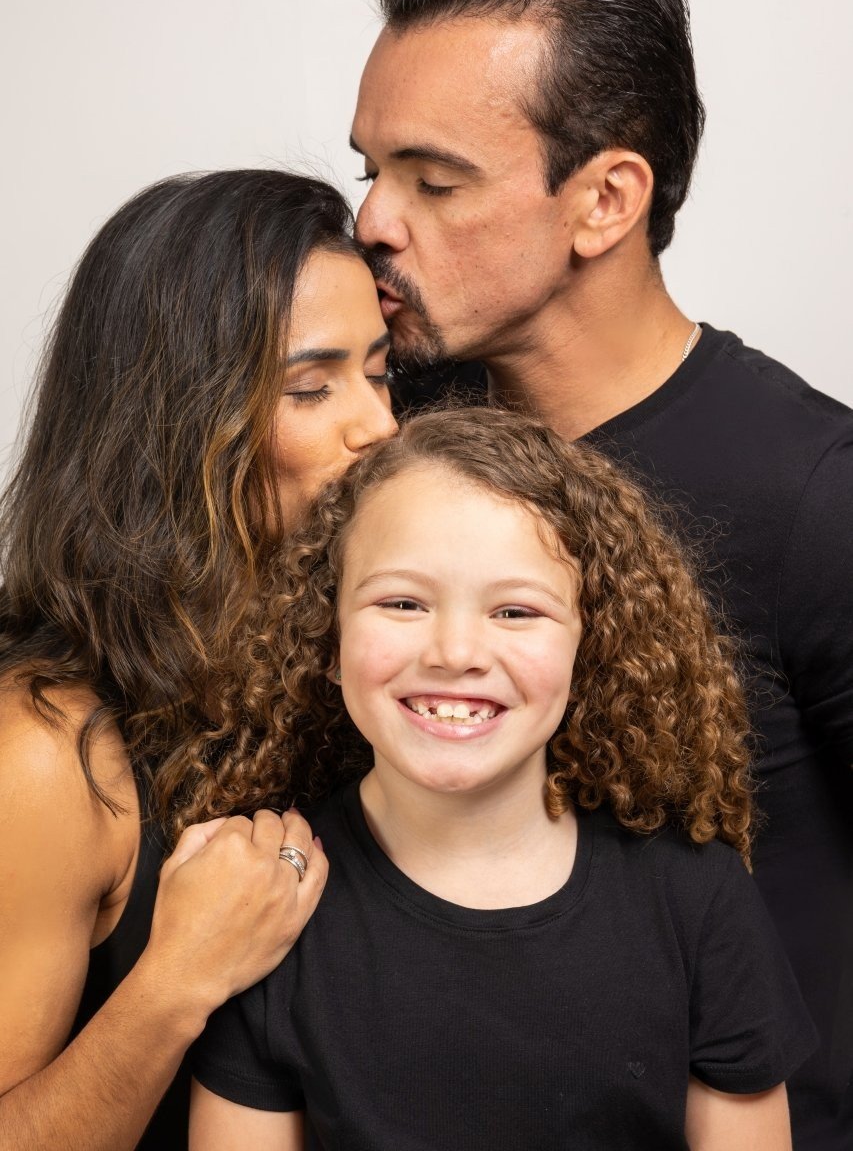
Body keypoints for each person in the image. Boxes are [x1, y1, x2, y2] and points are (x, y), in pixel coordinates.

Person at [349, 0, 853, 1149]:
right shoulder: (375, 435)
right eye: (370, 170)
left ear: (605, 199)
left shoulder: (811, 491)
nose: (373, 221)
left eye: (433, 180)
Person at [189, 406, 816, 1150]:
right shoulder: (265, 907)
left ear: (591, 645)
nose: (455, 652)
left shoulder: (694, 897)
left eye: (516, 611)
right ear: (327, 635)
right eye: (402, 603)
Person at [0, 168, 397, 1150]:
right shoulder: (45, 751)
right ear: (176, 422)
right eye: (311, 387)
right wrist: (179, 976)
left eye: (381, 372)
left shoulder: (361, 671)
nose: (379, 427)